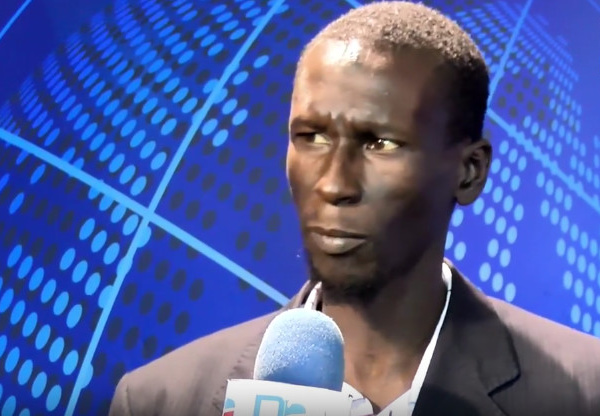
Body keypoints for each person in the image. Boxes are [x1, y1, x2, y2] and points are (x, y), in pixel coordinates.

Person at [109, 2, 600, 415]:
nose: (334, 183)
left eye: (380, 143)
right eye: (312, 136)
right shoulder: (161, 400)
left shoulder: (582, 394)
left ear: (469, 172)